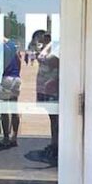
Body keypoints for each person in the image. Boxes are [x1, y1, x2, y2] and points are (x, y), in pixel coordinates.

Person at [36, 33, 59, 163]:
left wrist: (50, 45)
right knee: (52, 119)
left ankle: (56, 146)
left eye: (46, 39)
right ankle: (54, 143)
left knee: (56, 120)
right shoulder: (49, 49)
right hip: (46, 90)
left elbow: (47, 60)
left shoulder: (55, 51)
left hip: (53, 91)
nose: (43, 42)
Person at [0, 37, 21, 149]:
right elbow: (19, 60)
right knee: (14, 109)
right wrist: (17, 74)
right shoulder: (12, 44)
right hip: (16, 78)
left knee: (4, 110)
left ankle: (6, 138)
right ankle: (15, 137)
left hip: (5, 78)